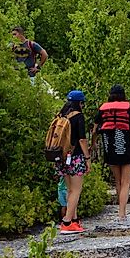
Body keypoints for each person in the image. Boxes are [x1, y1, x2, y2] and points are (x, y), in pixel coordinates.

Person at [91, 85, 130, 220]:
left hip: (109, 146)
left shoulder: (102, 109)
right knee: (126, 181)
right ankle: (122, 213)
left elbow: (94, 131)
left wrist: (93, 144)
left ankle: (120, 209)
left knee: (118, 181)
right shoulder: (128, 108)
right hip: (125, 145)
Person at [56, 90, 91, 234]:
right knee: (76, 190)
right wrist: (87, 158)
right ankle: (67, 222)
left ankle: (74, 220)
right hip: (75, 158)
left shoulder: (61, 115)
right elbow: (82, 139)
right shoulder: (79, 117)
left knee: (70, 190)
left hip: (62, 157)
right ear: (80, 103)